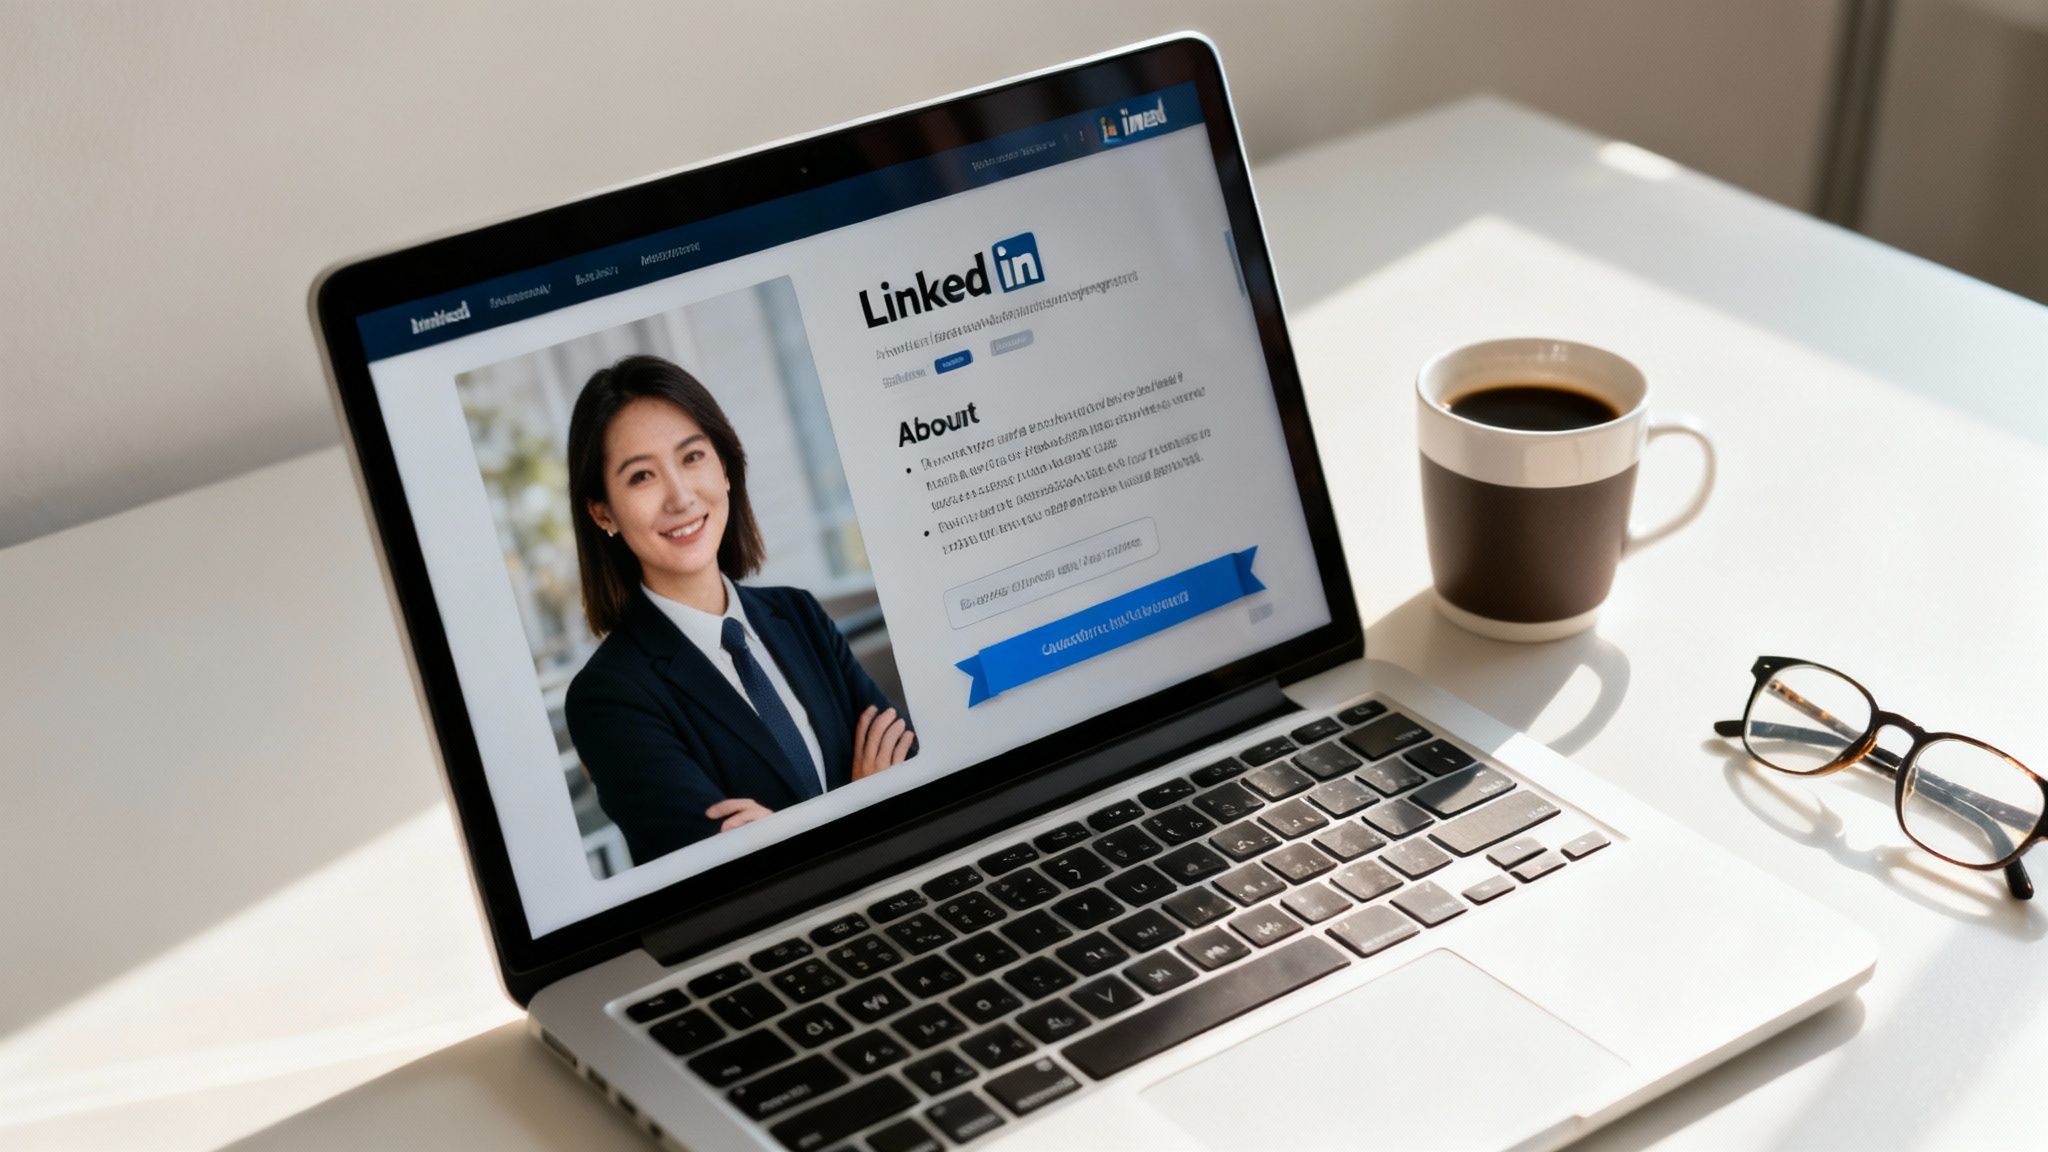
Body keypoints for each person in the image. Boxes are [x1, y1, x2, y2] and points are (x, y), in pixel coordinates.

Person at [564, 354, 913, 864]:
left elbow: (906, 758)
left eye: (692, 457)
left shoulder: (798, 615)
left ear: (724, 467)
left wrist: (791, 829)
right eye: (642, 476)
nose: (681, 497)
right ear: (602, 512)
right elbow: (726, 869)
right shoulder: (607, 699)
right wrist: (859, 797)